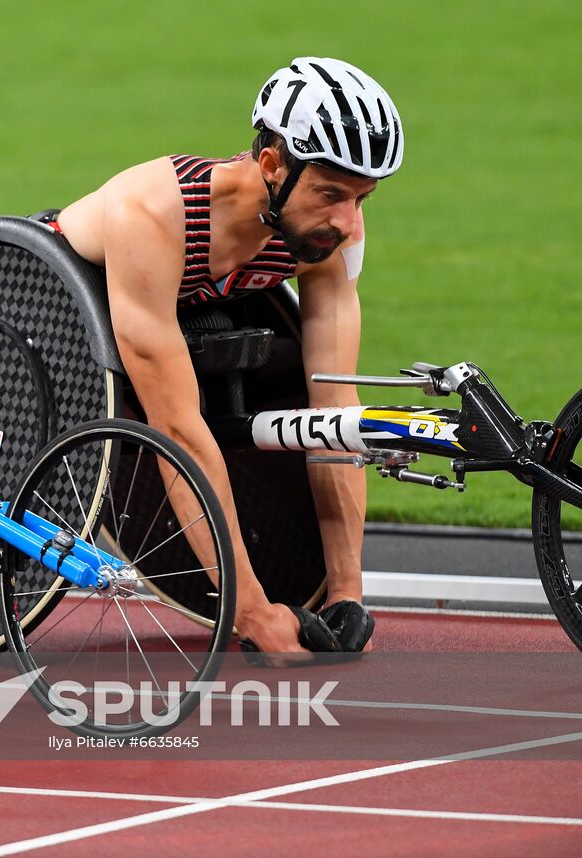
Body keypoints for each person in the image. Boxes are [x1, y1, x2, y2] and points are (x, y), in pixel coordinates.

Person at [55, 57, 403, 661]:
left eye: (361, 198)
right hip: (63, 314)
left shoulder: (326, 229)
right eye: (330, 194)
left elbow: (334, 412)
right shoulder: (151, 215)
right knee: (181, 419)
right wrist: (247, 611)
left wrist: (345, 593)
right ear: (271, 164)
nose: (347, 223)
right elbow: (177, 433)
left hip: (184, 314)